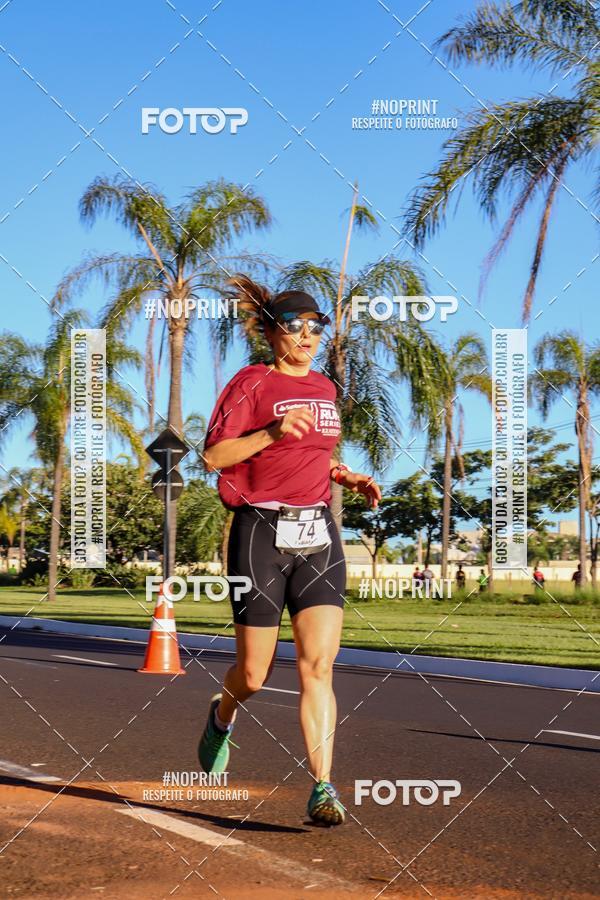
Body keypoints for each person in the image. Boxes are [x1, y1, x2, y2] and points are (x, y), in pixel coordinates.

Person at [198, 278, 381, 827]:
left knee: (318, 668)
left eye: (315, 325)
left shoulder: (325, 389)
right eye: (295, 325)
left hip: (318, 535)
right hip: (259, 531)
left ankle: (323, 786)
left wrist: (344, 475)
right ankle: (222, 714)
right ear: (272, 332)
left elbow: (315, 456)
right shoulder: (252, 382)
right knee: (254, 675)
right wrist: (272, 432)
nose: (307, 335)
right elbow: (214, 456)